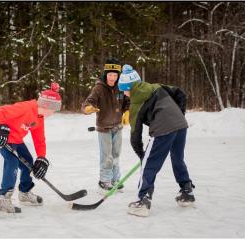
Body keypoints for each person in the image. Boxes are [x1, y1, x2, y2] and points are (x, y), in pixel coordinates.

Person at [117, 64, 195, 217]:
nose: (125, 94)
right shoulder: (156, 87)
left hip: (163, 129)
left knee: (149, 165)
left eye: (124, 90)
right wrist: (179, 114)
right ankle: (187, 192)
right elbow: (181, 94)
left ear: (130, 87)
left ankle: (142, 200)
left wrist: (142, 155)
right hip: (180, 125)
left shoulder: (136, 104)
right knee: (178, 159)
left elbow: (135, 135)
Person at [0, 82, 62, 213]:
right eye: (53, 110)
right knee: (12, 162)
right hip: (4, 137)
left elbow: (40, 141)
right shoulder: (26, 108)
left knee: (28, 163)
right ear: (46, 105)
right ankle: (3, 199)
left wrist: (41, 158)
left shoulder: (40, 118)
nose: (53, 113)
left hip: (17, 139)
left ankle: (24, 193)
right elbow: (0, 111)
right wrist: (0, 127)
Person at [81, 58, 130, 192]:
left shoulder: (121, 86)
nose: (112, 78)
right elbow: (88, 102)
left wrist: (127, 112)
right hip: (104, 128)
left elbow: (127, 101)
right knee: (106, 155)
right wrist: (88, 108)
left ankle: (115, 179)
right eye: (110, 75)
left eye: (115, 75)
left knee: (116, 154)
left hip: (118, 126)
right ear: (106, 74)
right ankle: (104, 180)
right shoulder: (99, 88)